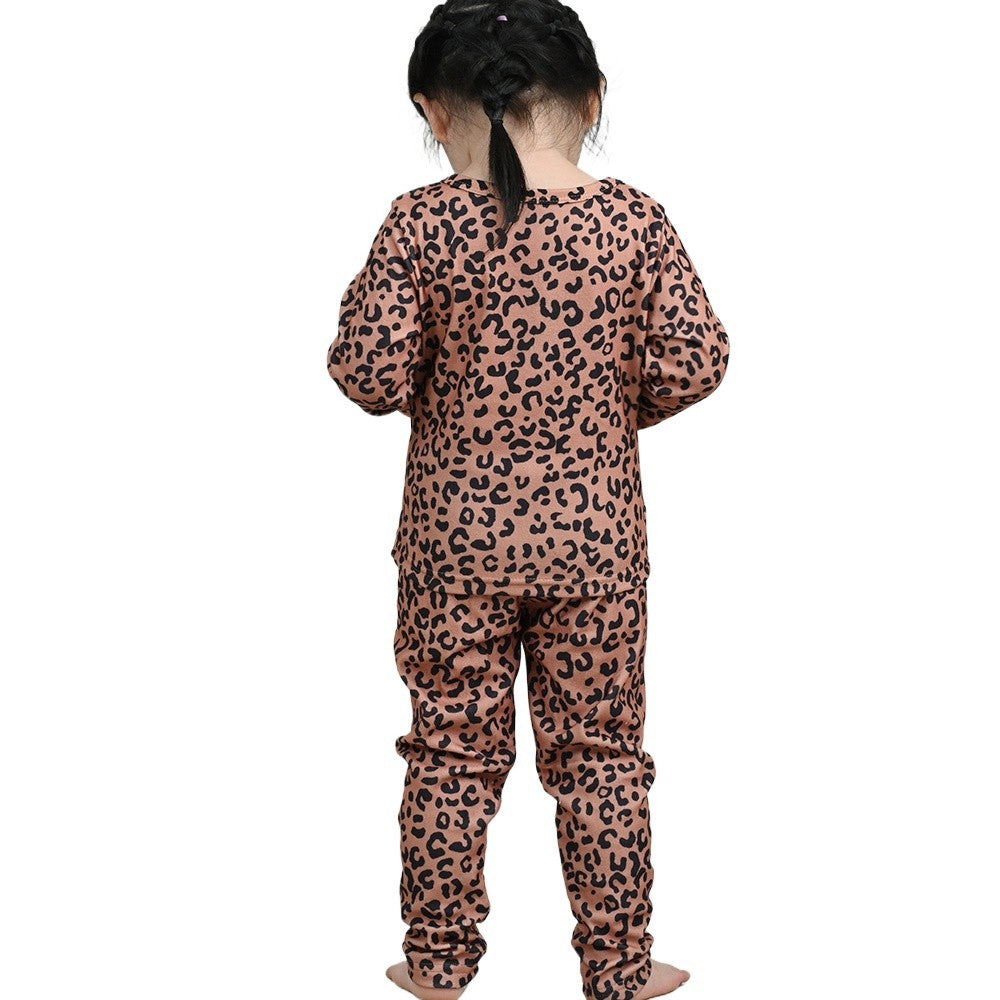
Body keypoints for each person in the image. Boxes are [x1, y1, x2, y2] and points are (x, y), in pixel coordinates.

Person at [325, 2, 730, 998]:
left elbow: (367, 372)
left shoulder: (419, 224)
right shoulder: (632, 220)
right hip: (596, 544)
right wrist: (605, 414)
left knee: (449, 752)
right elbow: (695, 358)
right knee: (602, 756)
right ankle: (620, 966)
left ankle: (437, 962)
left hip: (452, 546)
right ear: (592, 102)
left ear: (432, 111)